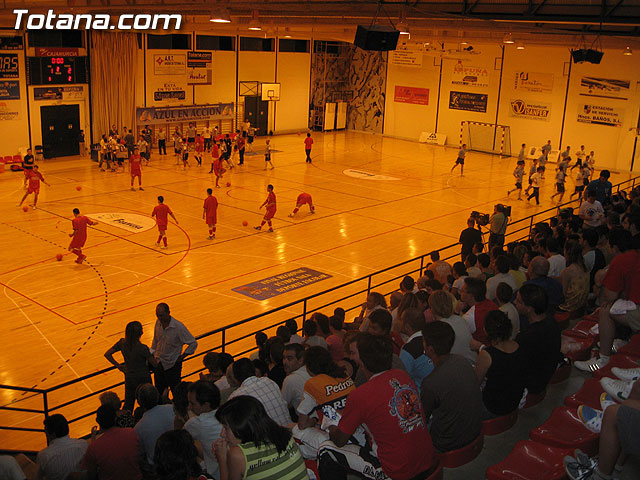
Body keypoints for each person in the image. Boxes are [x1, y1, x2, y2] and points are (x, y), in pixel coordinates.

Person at [318, 333, 435, 480]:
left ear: (363, 361)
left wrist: (330, 424)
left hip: (396, 472)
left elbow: (339, 441)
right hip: (426, 461)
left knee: (325, 449)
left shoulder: (361, 395)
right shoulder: (402, 376)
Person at [575, 235, 640, 373]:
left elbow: (608, 297)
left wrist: (600, 285)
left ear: (614, 248)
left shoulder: (623, 260)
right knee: (622, 303)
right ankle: (625, 339)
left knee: (605, 310)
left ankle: (602, 359)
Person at [420, 321, 483, 452]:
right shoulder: (463, 362)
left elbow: (422, 419)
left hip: (448, 442)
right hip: (475, 431)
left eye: (424, 341)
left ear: (430, 349)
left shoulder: (430, 383)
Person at [213, 396, 307, 480]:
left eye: (226, 428)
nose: (222, 434)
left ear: (242, 427)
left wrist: (222, 458)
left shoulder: (238, 455)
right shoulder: (281, 434)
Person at [294, 346, 356, 459]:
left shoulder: (313, 384)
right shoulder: (344, 374)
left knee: (294, 430)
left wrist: (314, 421)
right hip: (357, 429)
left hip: (340, 437)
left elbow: (302, 424)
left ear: (309, 367)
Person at [514, 284, 562, 395]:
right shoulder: (550, 321)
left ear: (529, 308)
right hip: (543, 373)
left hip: (533, 383)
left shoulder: (528, 337)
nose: (514, 302)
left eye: (519, 301)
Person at [475, 310, 524, 417]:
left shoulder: (486, 355)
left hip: (494, 407)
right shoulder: (518, 345)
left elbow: (474, 383)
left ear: (486, 330)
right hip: (514, 401)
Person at [103, 320, 156, 413]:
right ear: (140, 333)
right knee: (148, 402)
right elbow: (155, 364)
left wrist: (119, 366)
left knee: (128, 404)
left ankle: (126, 422)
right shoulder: (142, 348)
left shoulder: (122, 343)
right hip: (143, 377)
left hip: (129, 377)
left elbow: (107, 354)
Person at [82, 405, 142, 480]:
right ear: (115, 418)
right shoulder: (131, 432)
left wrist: (93, 439)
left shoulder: (94, 447)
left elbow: (91, 474)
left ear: (97, 421)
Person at [151, 302, 198, 398]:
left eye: (161, 315)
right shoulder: (158, 323)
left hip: (172, 366)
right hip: (159, 364)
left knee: (176, 393)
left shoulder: (178, 327)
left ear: (169, 312)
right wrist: (153, 355)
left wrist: (182, 356)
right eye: (157, 315)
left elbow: (193, 343)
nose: (159, 318)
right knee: (159, 393)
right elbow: (155, 341)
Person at [228, 358, 292, 426]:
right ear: (254, 371)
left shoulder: (235, 397)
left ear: (235, 378)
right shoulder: (269, 381)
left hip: (271, 434)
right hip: (289, 431)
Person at [185, 380, 223, 478]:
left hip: (214, 475)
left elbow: (179, 440)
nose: (189, 407)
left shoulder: (197, 423)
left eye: (192, 404)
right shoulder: (226, 414)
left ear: (206, 405)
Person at [429, 290, 476, 364]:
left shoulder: (439, 330)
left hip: (460, 367)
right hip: (471, 363)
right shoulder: (461, 319)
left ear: (432, 308)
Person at [36, 414, 87, 480]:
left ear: (52, 434)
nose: (45, 433)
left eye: (45, 431)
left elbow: (37, 477)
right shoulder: (83, 445)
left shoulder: (44, 455)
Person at [134, 384, 175, 466]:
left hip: (157, 467)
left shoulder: (138, 428)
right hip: (178, 458)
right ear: (157, 397)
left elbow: (140, 452)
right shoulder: (172, 409)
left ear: (139, 402)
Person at [399, 308, 433, 392]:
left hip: (421, 394)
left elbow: (401, 376)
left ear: (407, 326)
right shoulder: (433, 337)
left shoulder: (408, 349)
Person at [457, 276, 498, 346]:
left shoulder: (469, 316)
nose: (460, 292)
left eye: (463, 290)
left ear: (471, 296)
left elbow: (457, 333)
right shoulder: (491, 303)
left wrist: (456, 311)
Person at [281, 343, 310, 414]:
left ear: (301, 360)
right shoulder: (310, 370)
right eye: (284, 358)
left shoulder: (290, 380)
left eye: (289, 358)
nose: (285, 362)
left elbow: (282, 405)